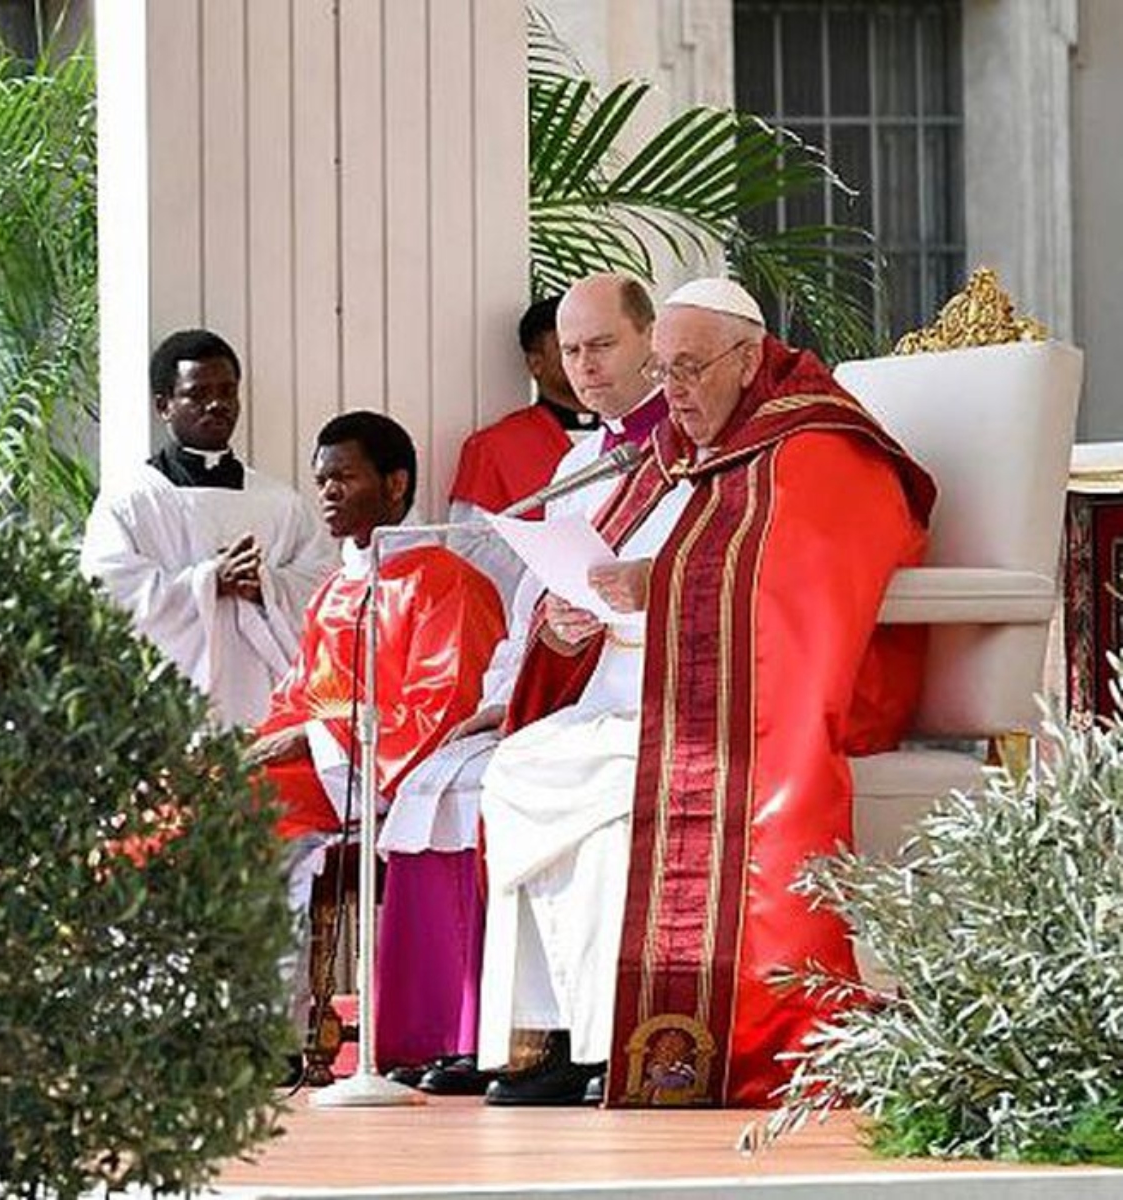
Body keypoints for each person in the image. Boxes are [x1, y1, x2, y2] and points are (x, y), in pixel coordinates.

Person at [475, 277, 937, 1108]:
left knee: (615, 784)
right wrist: (568, 622)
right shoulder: (675, 451)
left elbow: (807, 584)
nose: (673, 392)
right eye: (661, 372)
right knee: (523, 767)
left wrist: (662, 585)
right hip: (661, 695)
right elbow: (606, 568)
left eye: (688, 369)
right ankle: (567, 1037)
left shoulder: (820, 444)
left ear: (748, 357)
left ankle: (632, 1037)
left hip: (771, 704)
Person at [380, 271, 668, 1092]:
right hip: (581, 687)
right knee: (473, 773)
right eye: (571, 351)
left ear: (651, 340)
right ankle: (503, 1035)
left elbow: (703, 580)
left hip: (650, 692)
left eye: (603, 345)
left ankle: (585, 1042)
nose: (586, 366)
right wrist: (529, 661)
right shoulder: (581, 460)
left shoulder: (683, 455)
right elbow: (536, 596)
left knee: (536, 781)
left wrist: (614, 619)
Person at [247, 411, 505, 1044]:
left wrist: (309, 739)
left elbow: (441, 712)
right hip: (324, 769)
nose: (328, 494)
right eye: (321, 481)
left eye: (344, 478)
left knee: (242, 814)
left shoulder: (448, 582)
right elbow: (295, 698)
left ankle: (265, 1034)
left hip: (379, 780)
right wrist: (252, 747)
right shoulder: (334, 591)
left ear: (395, 484)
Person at [80, 329, 330, 729]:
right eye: (197, 394)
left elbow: (324, 593)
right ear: (164, 405)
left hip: (267, 706)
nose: (217, 405)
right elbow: (107, 597)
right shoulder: (131, 501)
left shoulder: (280, 503)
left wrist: (265, 586)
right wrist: (209, 582)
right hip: (170, 711)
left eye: (227, 392)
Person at [448, 295, 597, 606]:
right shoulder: (492, 447)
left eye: (596, 345)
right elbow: (468, 552)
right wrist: (562, 576)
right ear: (535, 362)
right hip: (540, 618)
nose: (586, 360)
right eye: (568, 348)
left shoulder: (639, 436)